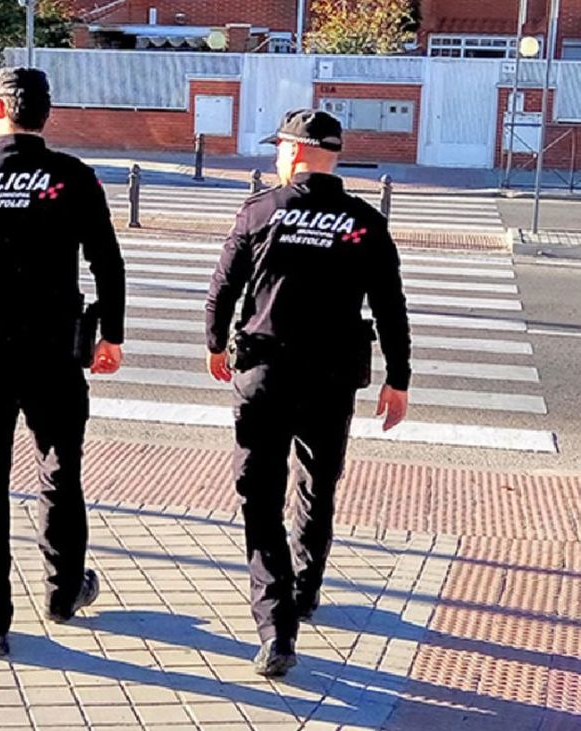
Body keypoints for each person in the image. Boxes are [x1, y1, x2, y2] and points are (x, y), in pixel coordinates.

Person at [0, 67, 127, 657]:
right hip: (55, 345)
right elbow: (107, 262)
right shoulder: (73, 177)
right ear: (44, 113)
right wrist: (109, 334)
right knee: (60, 469)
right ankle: (64, 593)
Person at [204, 108, 412, 677]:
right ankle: (306, 588)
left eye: (279, 149)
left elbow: (224, 284)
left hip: (265, 375)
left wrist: (215, 343)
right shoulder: (363, 221)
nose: (275, 157)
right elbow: (390, 305)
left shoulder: (260, 211)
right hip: (332, 378)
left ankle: (276, 629)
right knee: (317, 484)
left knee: (261, 497)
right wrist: (399, 377)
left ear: (295, 153)